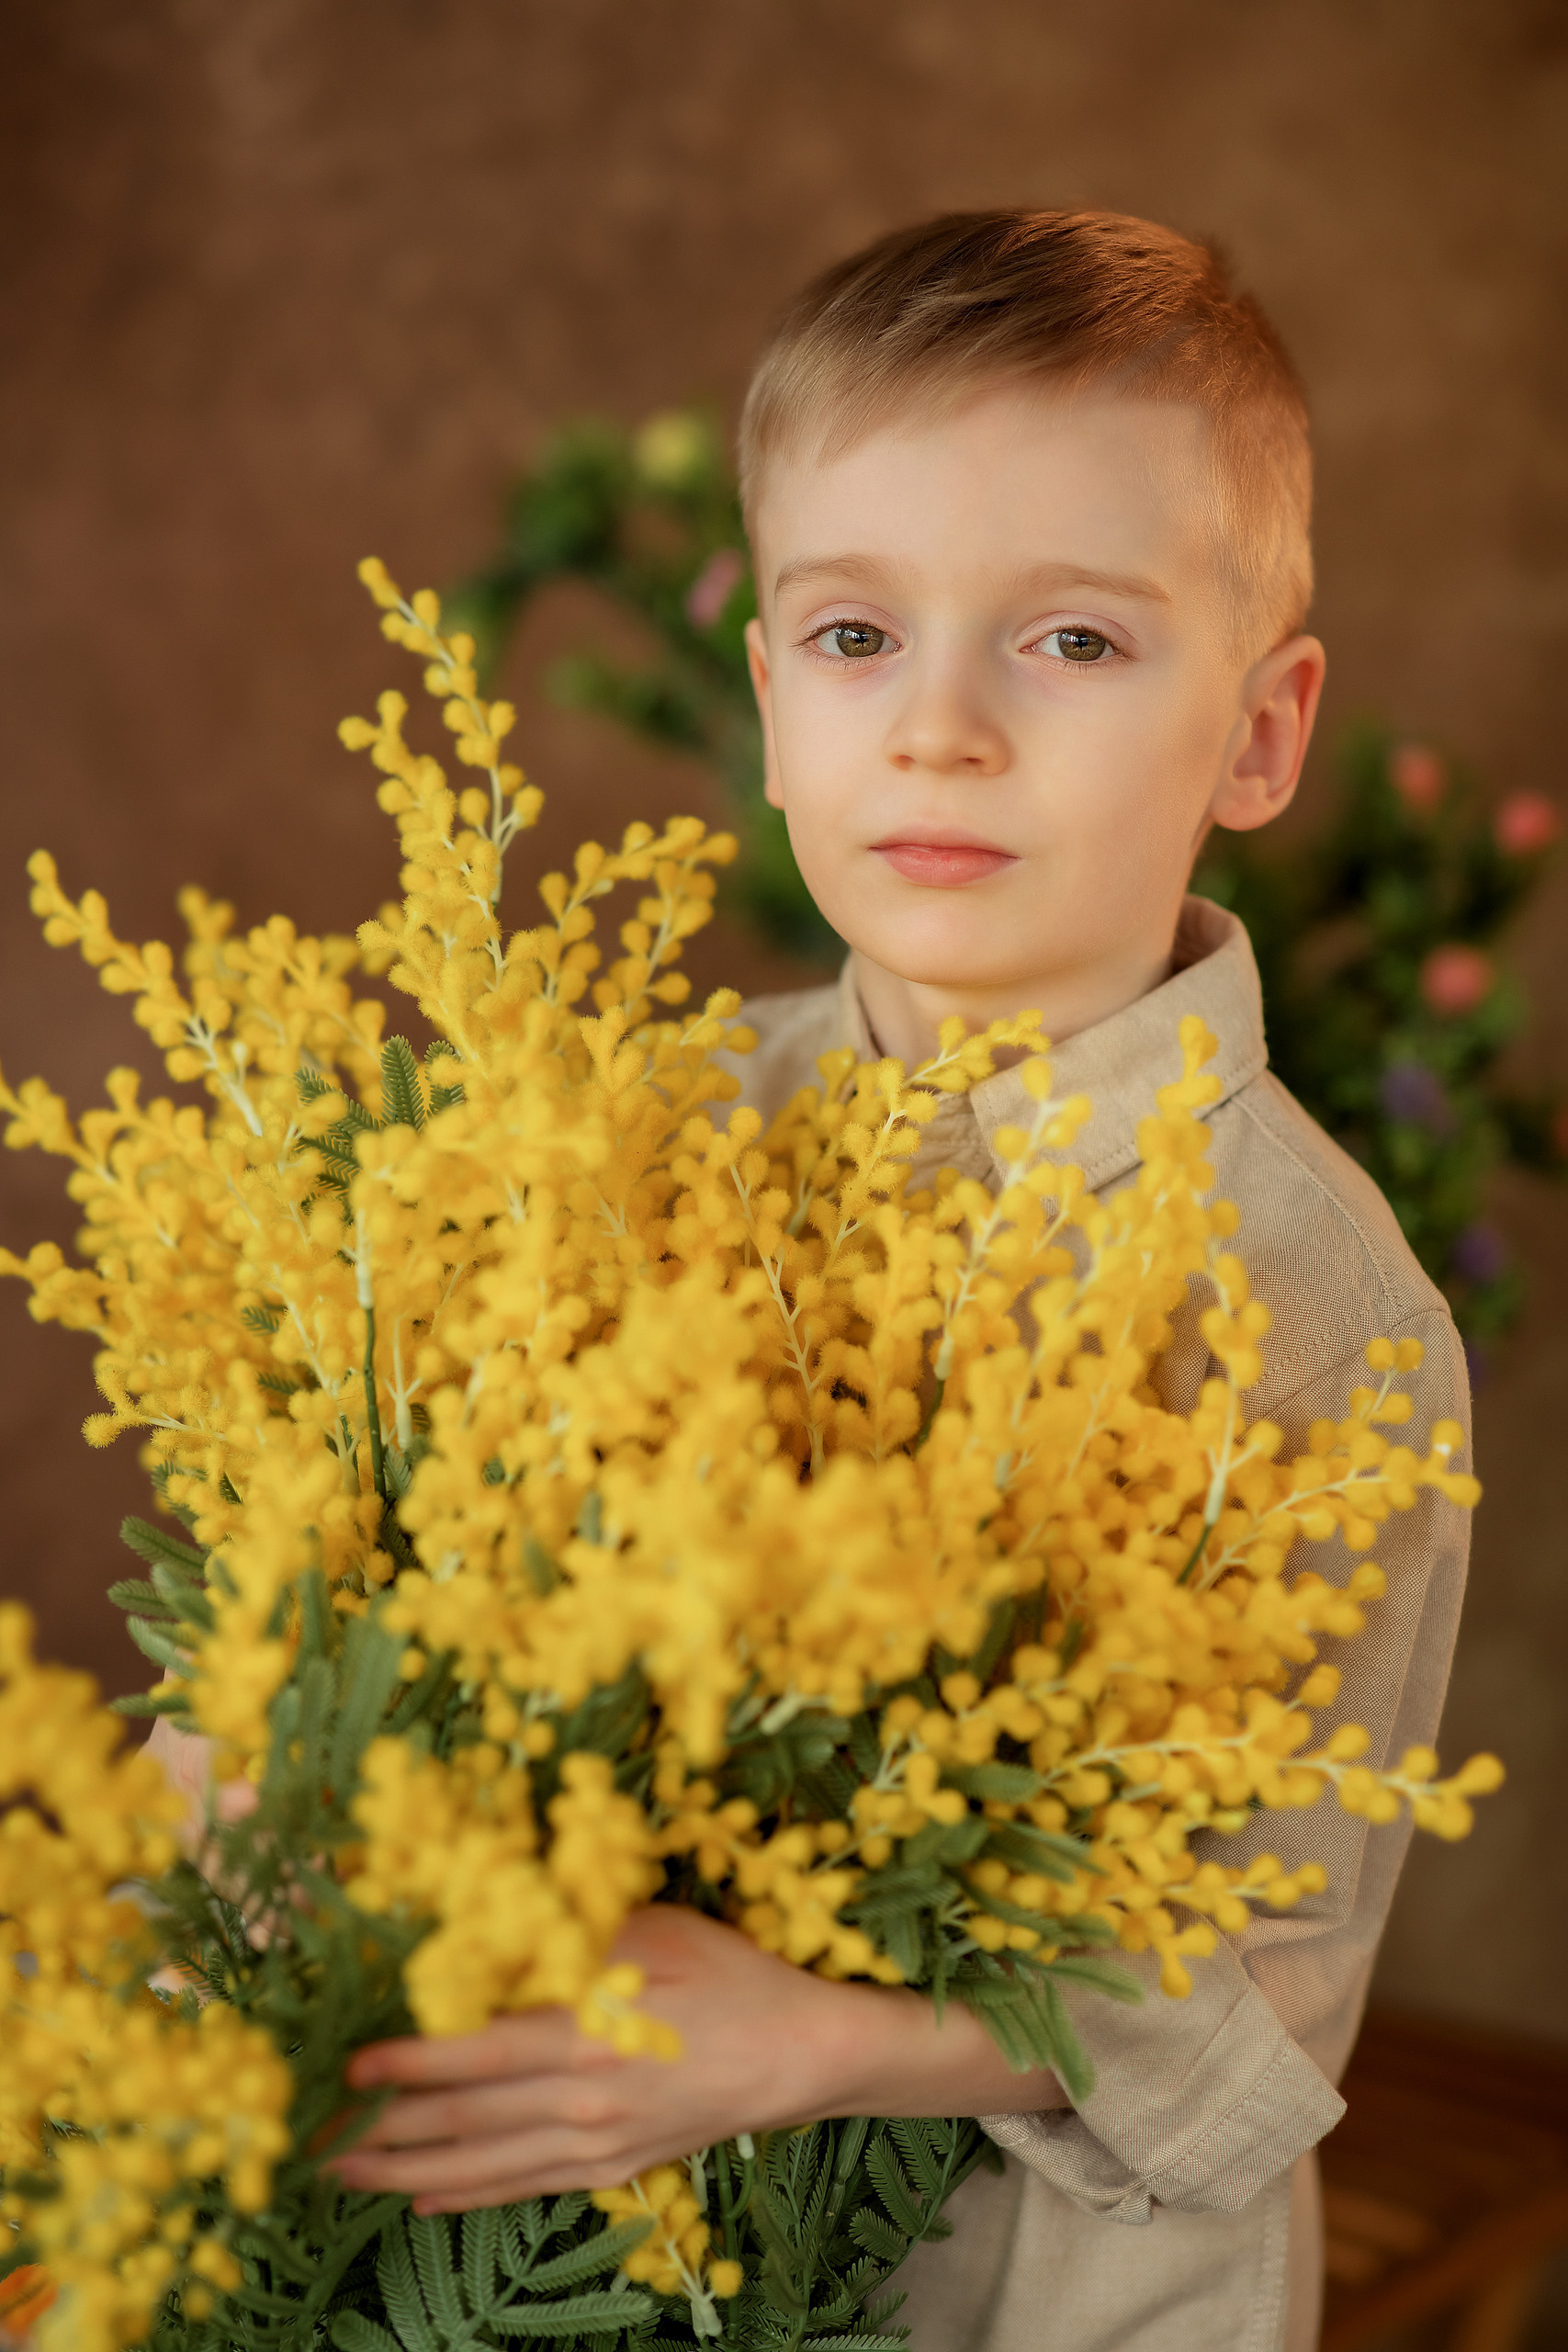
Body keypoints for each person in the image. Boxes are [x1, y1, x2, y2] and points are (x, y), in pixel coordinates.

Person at [164, 212, 1475, 2351]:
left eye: (1069, 643)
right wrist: (256, 1757)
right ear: (770, 703)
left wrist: (815, 2032)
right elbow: (387, 1596)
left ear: (1256, 734)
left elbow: (1265, 2007)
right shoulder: (624, 1129)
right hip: (566, 2267)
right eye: (857, 634)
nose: (939, 727)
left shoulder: (1315, 1310)